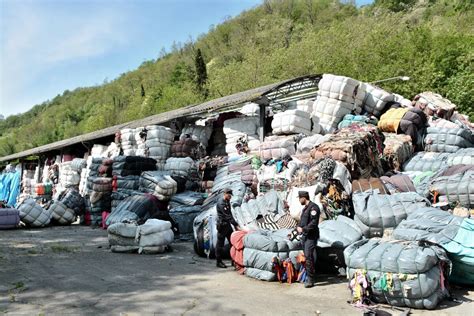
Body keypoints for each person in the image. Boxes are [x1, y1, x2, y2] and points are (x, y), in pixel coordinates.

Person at [297, 191, 321, 288]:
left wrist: (303, 229)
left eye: (299, 198)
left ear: (304, 197)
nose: (299, 200)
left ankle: (310, 279)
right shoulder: (305, 209)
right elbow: (302, 222)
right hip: (305, 236)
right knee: (309, 256)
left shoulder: (313, 208)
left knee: (308, 256)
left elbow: (314, 223)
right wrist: (297, 229)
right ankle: (309, 276)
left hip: (311, 236)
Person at [215, 188, 240, 268]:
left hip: (228, 225)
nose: (230, 197)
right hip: (222, 226)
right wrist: (236, 224)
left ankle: (233, 260)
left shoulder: (227, 201)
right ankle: (218, 262)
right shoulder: (221, 203)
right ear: (225, 194)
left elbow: (230, 214)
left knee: (232, 242)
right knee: (220, 245)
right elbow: (227, 216)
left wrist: (234, 224)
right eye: (229, 195)